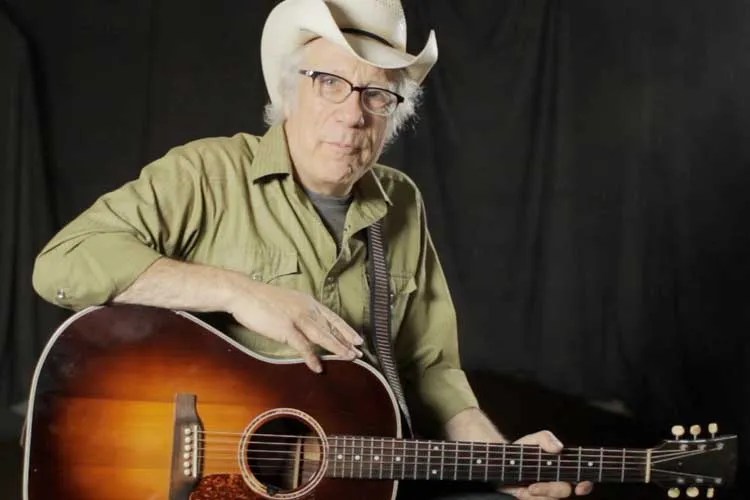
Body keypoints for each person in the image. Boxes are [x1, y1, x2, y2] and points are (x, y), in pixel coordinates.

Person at [32, 1, 593, 499]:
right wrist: (240, 293)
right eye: (330, 81)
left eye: (377, 94)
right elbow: (62, 264)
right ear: (289, 89)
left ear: (393, 116)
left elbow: (431, 371)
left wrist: (501, 460)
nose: (352, 115)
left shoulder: (401, 203)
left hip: (355, 477)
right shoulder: (206, 172)